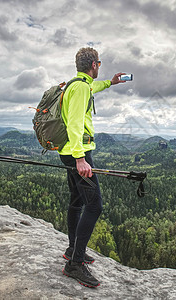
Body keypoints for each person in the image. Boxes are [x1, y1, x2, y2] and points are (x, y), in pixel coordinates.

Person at [59, 47, 126, 287]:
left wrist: (111, 83)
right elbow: (75, 124)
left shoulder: (80, 84)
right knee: (94, 205)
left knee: (77, 201)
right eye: (99, 63)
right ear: (94, 65)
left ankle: (72, 249)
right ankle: (75, 264)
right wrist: (80, 159)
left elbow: (93, 88)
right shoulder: (79, 89)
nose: (100, 67)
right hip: (78, 152)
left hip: (70, 152)